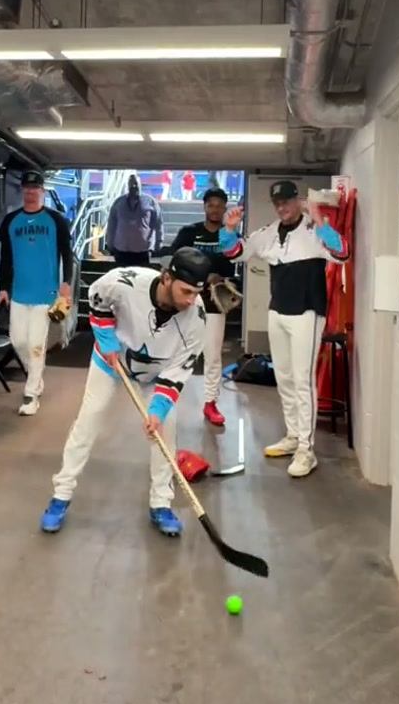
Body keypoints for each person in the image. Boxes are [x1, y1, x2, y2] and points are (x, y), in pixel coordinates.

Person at [39, 247, 210, 536]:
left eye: (196, 293)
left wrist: (156, 411)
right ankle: (61, 496)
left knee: (165, 430)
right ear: (167, 278)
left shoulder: (197, 317)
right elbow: (97, 297)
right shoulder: (127, 282)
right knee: (87, 422)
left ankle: (160, 503)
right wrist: (106, 339)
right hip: (111, 361)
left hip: (157, 373)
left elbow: (178, 371)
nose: (191, 300)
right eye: (186, 291)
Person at [220, 180, 348, 477]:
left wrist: (321, 223)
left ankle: (307, 448)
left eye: (287, 201)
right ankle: (293, 436)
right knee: (285, 377)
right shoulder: (267, 234)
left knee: (303, 381)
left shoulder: (314, 232)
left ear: (297, 201)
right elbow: (236, 252)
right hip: (277, 311)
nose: (282, 207)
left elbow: (343, 253)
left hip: (307, 311)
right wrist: (229, 230)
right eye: (277, 203)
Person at [0, 170, 72, 415]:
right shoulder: (11, 221)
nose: (31, 191)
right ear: (23, 190)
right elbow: (5, 258)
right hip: (19, 292)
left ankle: (31, 395)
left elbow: (66, 253)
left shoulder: (56, 220)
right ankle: (36, 377)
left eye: (35, 188)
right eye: (27, 188)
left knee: (35, 344)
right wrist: (4, 288)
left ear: (42, 190)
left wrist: (66, 283)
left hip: (46, 293)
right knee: (18, 340)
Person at [168, 187, 236, 428]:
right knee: (177, 350)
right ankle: (166, 398)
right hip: (187, 301)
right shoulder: (190, 233)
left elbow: (232, 267)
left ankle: (210, 402)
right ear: (204, 207)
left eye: (220, 205)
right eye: (211, 205)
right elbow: (176, 260)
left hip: (215, 300)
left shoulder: (230, 235)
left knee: (213, 354)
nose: (215, 209)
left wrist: (220, 278)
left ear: (225, 208)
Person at [106, 174, 163, 267]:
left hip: (142, 250)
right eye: (131, 184)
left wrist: (159, 242)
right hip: (121, 249)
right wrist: (110, 243)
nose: (133, 186)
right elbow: (112, 224)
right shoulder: (118, 202)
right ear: (127, 186)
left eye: (136, 184)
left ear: (140, 184)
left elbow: (158, 223)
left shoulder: (150, 202)